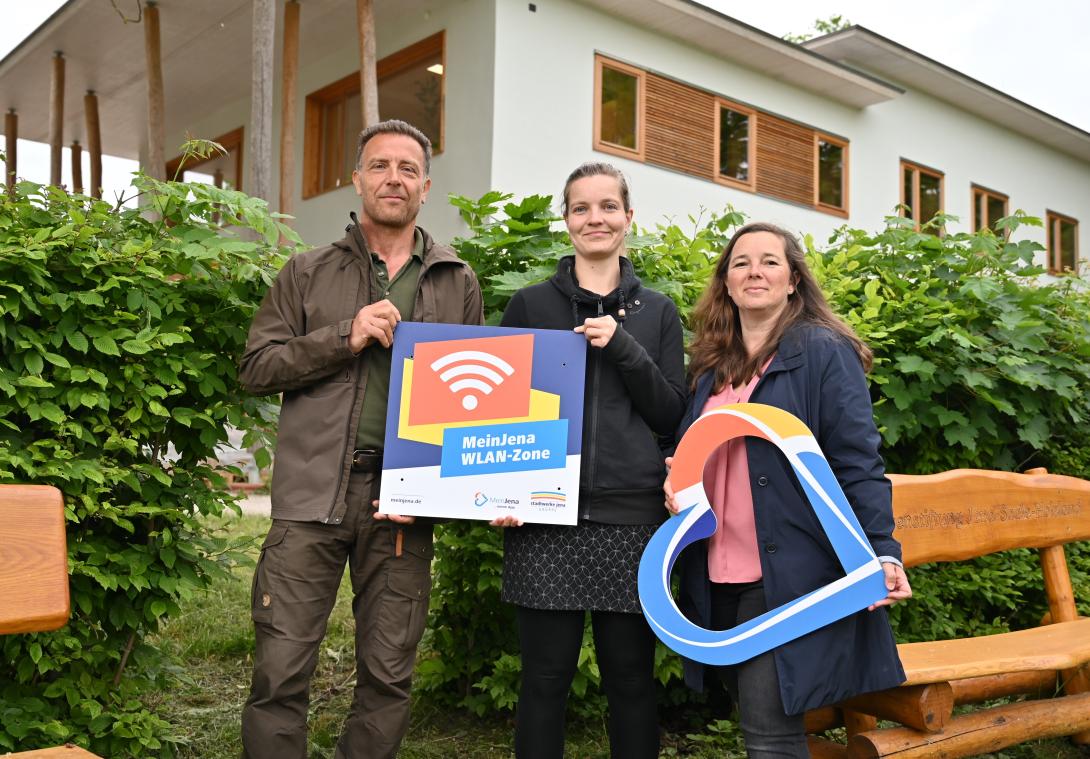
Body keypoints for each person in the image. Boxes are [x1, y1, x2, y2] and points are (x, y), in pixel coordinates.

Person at [237, 119, 483, 759]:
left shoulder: (458, 280)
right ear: (358, 179)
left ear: (425, 187)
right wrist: (344, 335)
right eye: (380, 165)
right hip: (312, 496)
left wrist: (460, 489)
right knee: (280, 670)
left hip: (403, 501)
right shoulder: (306, 271)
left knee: (388, 672)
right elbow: (257, 368)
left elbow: (479, 404)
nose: (393, 178)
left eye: (407, 168)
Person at [664, 221, 911, 757]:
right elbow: (697, 452)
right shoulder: (711, 367)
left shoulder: (823, 352)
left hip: (788, 572)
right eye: (741, 262)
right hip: (716, 570)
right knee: (757, 718)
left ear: (794, 279)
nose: (755, 272)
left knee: (770, 733)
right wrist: (678, 481)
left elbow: (857, 461)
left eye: (770, 261)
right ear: (726, 283)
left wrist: (882, 551)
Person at [493, 162, 686, 758]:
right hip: (544, 517)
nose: (594, 218)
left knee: (630, 679)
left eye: (607, 206)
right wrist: (502, 494)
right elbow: (499, 413)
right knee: (544, 678)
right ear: (567, 221)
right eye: (581, 208)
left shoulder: (658, 312)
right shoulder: (529, 306)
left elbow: (671, 415)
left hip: (631, 517)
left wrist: (624, 348)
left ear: (629, 218)